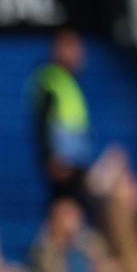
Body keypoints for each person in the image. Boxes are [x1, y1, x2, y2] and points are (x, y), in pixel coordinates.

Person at [27, 29, 92, 206]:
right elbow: (40, 121)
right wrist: (49, 156)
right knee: (62, 209)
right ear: (58, 49)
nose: (78, 53)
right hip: (62, 163)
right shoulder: (51, 79)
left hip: (75, 162)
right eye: (71, 47)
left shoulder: (70, 80)